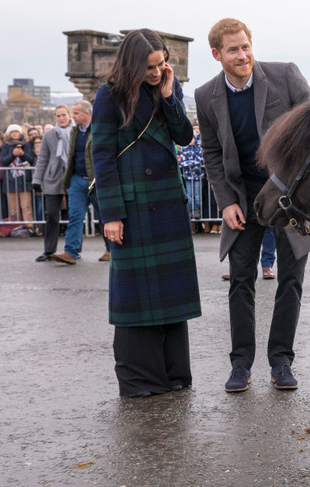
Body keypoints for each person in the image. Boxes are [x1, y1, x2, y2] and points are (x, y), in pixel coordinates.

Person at [194, 18, 310, 393]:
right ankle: (240, 364)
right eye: (233, 49)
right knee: (240, 281)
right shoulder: (204, 96)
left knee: (290, 280)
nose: (243, 55)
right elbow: (212, 154)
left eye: (245, 46)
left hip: (289, 195)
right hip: (244, 198)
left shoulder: (284, 76)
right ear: (217, 54)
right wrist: (227, 202)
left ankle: (281, 361)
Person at [91, 28, 202, 397]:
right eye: (150, 67)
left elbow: (185, 136)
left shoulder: (167, 85)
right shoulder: (109, 96)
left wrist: (170, 96)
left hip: (168, 201)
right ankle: (141, 379)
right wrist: (111, 214)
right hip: (133, 206)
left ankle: (174, 375)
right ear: (133, 64)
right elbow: (103, 157)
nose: (157, 72)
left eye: (161, 64)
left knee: (170, 296)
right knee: (136, 296)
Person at [51, 101, 110, 264]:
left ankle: (111, 250)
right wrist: (68, 180)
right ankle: (71, 252)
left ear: (86, 113)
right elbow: (71, 156)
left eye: (76, 113)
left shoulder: (99, 129)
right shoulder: (75, 131)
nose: (73, 116)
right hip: (77, 179)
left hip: (96, 180)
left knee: (104, 217)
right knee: (75, 215)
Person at [32, 105, 73, 262]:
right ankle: (49, 250)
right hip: (53, 178)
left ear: (69, 116)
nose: (61, 118)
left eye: (63, 115)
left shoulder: (77, 132)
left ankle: (73, 249)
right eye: (58, 115)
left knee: (73, 215)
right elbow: (42, 158)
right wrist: (37, 179)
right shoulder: (49, 135)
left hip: (72, 177)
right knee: (51, 215)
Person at [0, 124, 37, 235]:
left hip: (24, 180)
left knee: (26, 207)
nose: (15, 134)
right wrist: (13, 154)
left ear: (20, 133)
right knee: (13, 208)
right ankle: (16, 228)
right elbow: (3, 161)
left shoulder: (26, 145)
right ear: (9, 134)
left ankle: (30, 228)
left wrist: (22, 154)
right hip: (10, 181)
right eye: (12, 132)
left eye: (16, 132)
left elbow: (30, 159)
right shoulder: (6, 146)